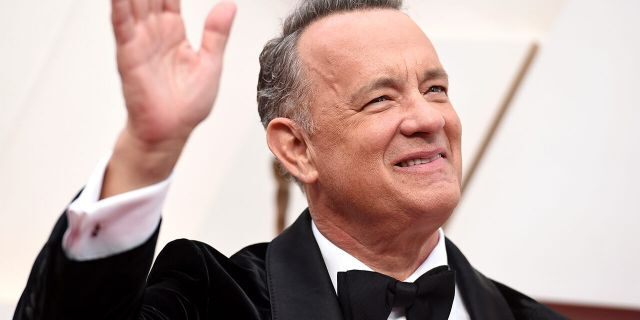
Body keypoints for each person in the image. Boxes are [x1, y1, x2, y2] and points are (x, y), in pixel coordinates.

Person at [14, 0, 564, 319]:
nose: (428, 118)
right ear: (296, 148)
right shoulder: (210, 299)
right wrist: (147, 152)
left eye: (436, 89)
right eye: (381, 98)